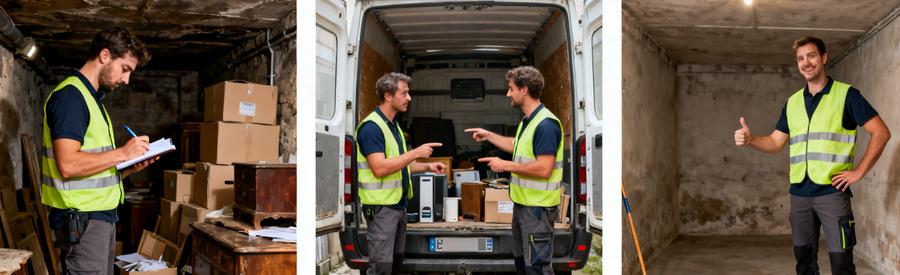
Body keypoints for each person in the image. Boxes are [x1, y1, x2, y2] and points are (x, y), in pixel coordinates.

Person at [734, 36, 891, 275]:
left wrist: (859, 172)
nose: (806, 62)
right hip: (799, 196)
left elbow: (881, 132)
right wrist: (752, 139)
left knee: (842, 266)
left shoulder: (846, 95)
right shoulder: (792, 103)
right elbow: (776, 142)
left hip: (832, 193)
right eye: (800, 58)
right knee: (804, 264)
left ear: (824, 58)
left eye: (811, 56)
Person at [41, 27, 156, 274]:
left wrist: (125, 169)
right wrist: (123, 153)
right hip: (83, 222)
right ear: (105, 55)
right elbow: (69, 165)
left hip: (98, 219)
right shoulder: (71, 97)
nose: (127, 80)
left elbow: (93, 170)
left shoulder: (93, 101)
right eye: (125, 69)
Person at [466, 66, 563, 275]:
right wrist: (488, 135)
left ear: (524, 90)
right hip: (523, 207)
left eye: (511, 88)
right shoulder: (528, 122)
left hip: (537, 210)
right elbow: (516, 145)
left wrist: (506, 165)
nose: (508, 93)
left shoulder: (545, 125)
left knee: (537, 268)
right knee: (523, 265)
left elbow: (544, 168)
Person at [356, 72, 447, 274]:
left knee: (395, 265)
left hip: (397, 207)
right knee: (381, 268)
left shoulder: (393, 126)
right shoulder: (371, 128)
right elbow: (379, 168)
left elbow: (398, 164)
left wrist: (426, 167)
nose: (409, 98)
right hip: (381, 210)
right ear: (388, 96)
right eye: (404, 93)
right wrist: (415, 152)